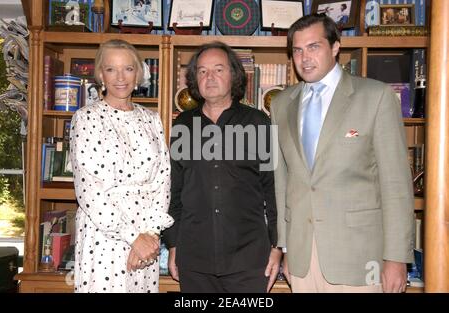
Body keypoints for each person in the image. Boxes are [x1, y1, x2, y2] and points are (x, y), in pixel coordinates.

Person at [270, 14, 414, 293]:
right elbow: (282, 183)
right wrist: (285, 246)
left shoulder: (375, 96)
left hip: (360, 256)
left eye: (314, 47)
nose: (305, 58)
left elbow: (396, 185)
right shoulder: (281, 103)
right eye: (297, 50)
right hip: (302, 258)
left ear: (336, 47)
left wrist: (396, 258)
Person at [163, 41, 282, 293]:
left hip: (249, 260)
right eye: (202, 71)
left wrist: (277, 247)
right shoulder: (183, 124)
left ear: (234, 76)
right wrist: (173, 245)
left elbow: (274, 190)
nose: (210, 77)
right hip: (195, 260)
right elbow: (174, 190)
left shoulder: (259, 123)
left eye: (219, 69)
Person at [70, 39, 173, 292]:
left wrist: (150, 235)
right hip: (104, 235)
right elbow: (89, 191)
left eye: (128, 69)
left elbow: (163, 180)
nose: (120, 77)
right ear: (100, 74)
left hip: (146, 235)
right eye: (111, 69)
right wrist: (133, 237)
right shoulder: (86, 118)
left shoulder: (151, 119)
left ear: (138, 74)